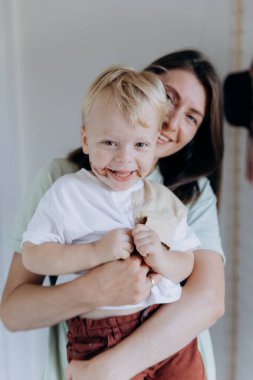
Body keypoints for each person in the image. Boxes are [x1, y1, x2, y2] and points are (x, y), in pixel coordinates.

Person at [1, 49, 225, 380]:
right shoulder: (62, 183)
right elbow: (13, 313)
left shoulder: (187, 195)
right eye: (167, 97)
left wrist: (108, 368)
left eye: (191, 117)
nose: (171, 120)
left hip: (170, 352)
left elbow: (208, 300)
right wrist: (95, 288)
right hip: (94, 341)